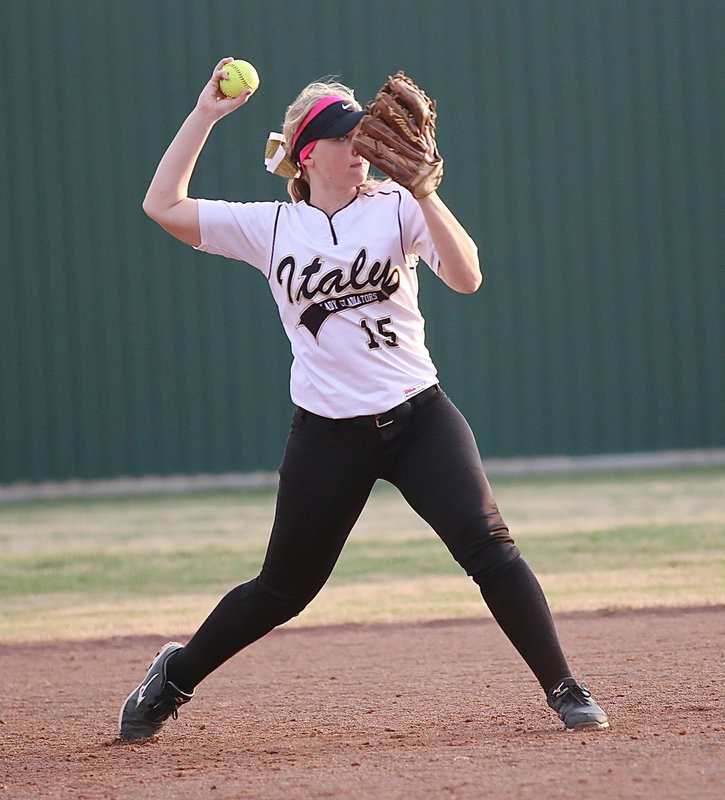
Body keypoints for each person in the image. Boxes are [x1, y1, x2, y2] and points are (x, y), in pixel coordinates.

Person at [119, 58, 609, 740]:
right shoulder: (270, 227)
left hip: (417, 415)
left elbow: (466, 277)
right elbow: (161, 205)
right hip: (328, 433)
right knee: (283, 590)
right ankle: (173, 678)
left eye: (369, 136)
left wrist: (428, 194)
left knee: (490, 548)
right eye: (352, 137)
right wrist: (206, 114)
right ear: (308, 152)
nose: (369, 149)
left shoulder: (397, 206)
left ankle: (563, 686)